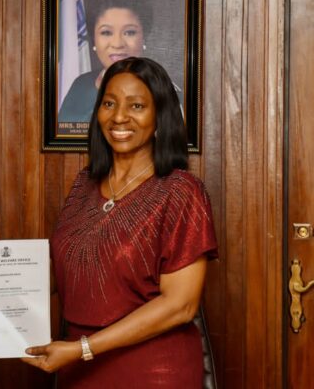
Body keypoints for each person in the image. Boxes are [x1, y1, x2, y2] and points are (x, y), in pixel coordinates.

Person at [24, 57, 217, 387]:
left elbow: (180, 306)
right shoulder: (85, 184)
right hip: (76, 367)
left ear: (159, 116)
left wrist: (83, 349)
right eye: (109, 103)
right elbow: (61, 272)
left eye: (137, 105)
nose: (119, 117)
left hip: (152, 371)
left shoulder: (181, 191)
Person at [58, 0, 167, 123]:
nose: (117, 44)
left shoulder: (163, 89)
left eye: (129, 32)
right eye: (106, 32)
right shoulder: (81, 85)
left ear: (144, 37)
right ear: (94, 41)